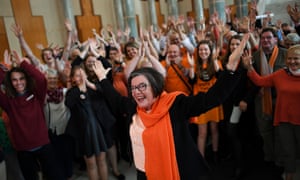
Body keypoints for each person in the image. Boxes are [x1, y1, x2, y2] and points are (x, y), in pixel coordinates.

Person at [91, 49, 242, 179]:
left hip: (177, 171)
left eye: (142, 86)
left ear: (155, 86)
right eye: (134, 88)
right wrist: (102, 78)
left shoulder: (175, 104)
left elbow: (210, 99)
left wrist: (230, 70)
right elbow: (116, 100)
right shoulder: (133, 107)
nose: (137, 92)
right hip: (145, 173)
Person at [0, 51, 63, 180]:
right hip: (24, 150)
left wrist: (23, 64)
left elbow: (40, 79)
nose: (18, 83)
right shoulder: (8, 102)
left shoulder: (36, 95)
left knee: (54, 176)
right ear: (10, 82)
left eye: (21, 79)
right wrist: (4, 69)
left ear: (26, 79)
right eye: (14, 80)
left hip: (44, 145)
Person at [242, 44, 300, 180]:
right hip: (284, 120)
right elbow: (260, 81)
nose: (292, 61)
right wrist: (249, 67)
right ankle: (289, 175)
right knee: (287, 151)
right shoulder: (280, 74)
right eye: (290, 58)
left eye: (296, 58)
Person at [251, 27, 287, 165]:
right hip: (262, 100)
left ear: (275, 39)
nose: (265, 40)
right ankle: (269, 157)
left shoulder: (285, 54)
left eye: (269, 37)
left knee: (280, 131)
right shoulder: (254, 57)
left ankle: (280, 159)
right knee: (264, 130)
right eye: (263, 38)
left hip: (280, 100)